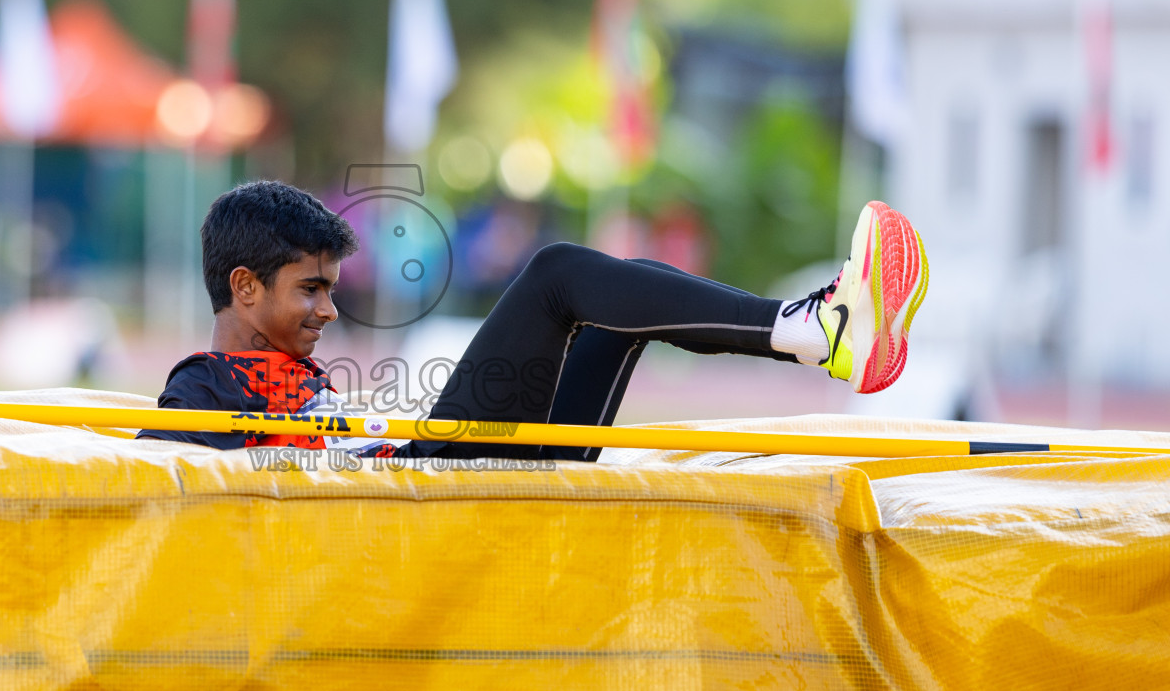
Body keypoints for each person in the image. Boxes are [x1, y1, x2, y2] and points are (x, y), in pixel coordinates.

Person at [137, 180, 928, 461]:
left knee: (625, 299)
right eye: (310, 290)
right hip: (426, 495)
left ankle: (817, 342)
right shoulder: (201, 386)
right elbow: (149, 486)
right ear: (244, 287)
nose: (329, 308)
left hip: (453, 477)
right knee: (557, 275)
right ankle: (813, 328)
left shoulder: (293, 379)